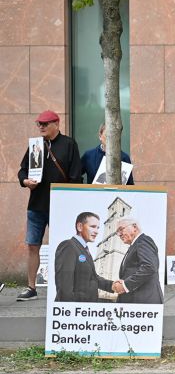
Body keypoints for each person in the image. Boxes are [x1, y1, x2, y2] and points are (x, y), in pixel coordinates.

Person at [17, 110, 83, 301]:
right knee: (32, 246)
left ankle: (61, 286)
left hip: (60, 206)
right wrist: (25, 181)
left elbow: (76, 176)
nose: (41, 127)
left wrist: (69, 200)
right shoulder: (35, 145)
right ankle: (31, 287)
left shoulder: (69, 144)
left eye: (45, 124)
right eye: (39, 124)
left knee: (62, 247)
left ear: (56, 123)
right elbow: (22, 170)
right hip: (36, 205)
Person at [54, 212, 116, 303]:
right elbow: (64, 289)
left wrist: (113, 286)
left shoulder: (85, 250)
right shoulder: (68, 246)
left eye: (98, 228)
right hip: (75, 310)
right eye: (93, 226)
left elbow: (93, 278)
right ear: (80, 227)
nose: (96, 231)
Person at [112, 218, 164, 305]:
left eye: (121, 229)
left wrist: (125, 285)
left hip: (144, 301)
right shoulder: (134, 246)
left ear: (134, 227)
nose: (119, 234)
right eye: (117, 232)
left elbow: (149, 267)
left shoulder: (143, 240)